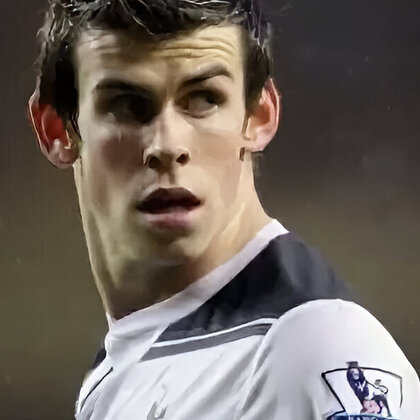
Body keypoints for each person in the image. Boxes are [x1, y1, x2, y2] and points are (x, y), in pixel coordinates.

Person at [28, 1, 420, 419]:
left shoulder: (314, 349)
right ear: (57, 130)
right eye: (127, 105)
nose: (167, 145)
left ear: (259, 116)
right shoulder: (120, 371)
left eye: (203, 98)